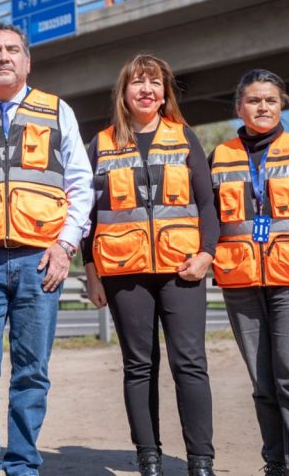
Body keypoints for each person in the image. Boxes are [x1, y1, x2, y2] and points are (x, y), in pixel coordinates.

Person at [0, 22, 93, 476]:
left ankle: (24, 460)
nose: (2, 57)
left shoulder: (57, 110)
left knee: (31, 370)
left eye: (12, 50)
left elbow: (81, 183)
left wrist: (66, 245)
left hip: (40, 259)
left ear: (28, 61)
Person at [82, 53, 216, 476]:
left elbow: (208, 203)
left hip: (183, 269)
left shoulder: (184, 138)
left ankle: (201, 461)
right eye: (138, 82)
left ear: (164, 93)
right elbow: (85, 215)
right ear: (123, 93)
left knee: (189, 363)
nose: (146, 89)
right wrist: (91, 273)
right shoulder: (100, 145)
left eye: (155, 82)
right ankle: (149, 458)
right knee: (139, 366)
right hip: (123, 271)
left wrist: (207, 255)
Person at [210, 69, 289, 476]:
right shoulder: (220, 155)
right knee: (264, 384)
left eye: (270, 100)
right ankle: (276, 464)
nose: (262, 107)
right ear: (239, 107)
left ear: (282, 104)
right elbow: (209, 219)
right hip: (241, 283)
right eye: (253, 100)